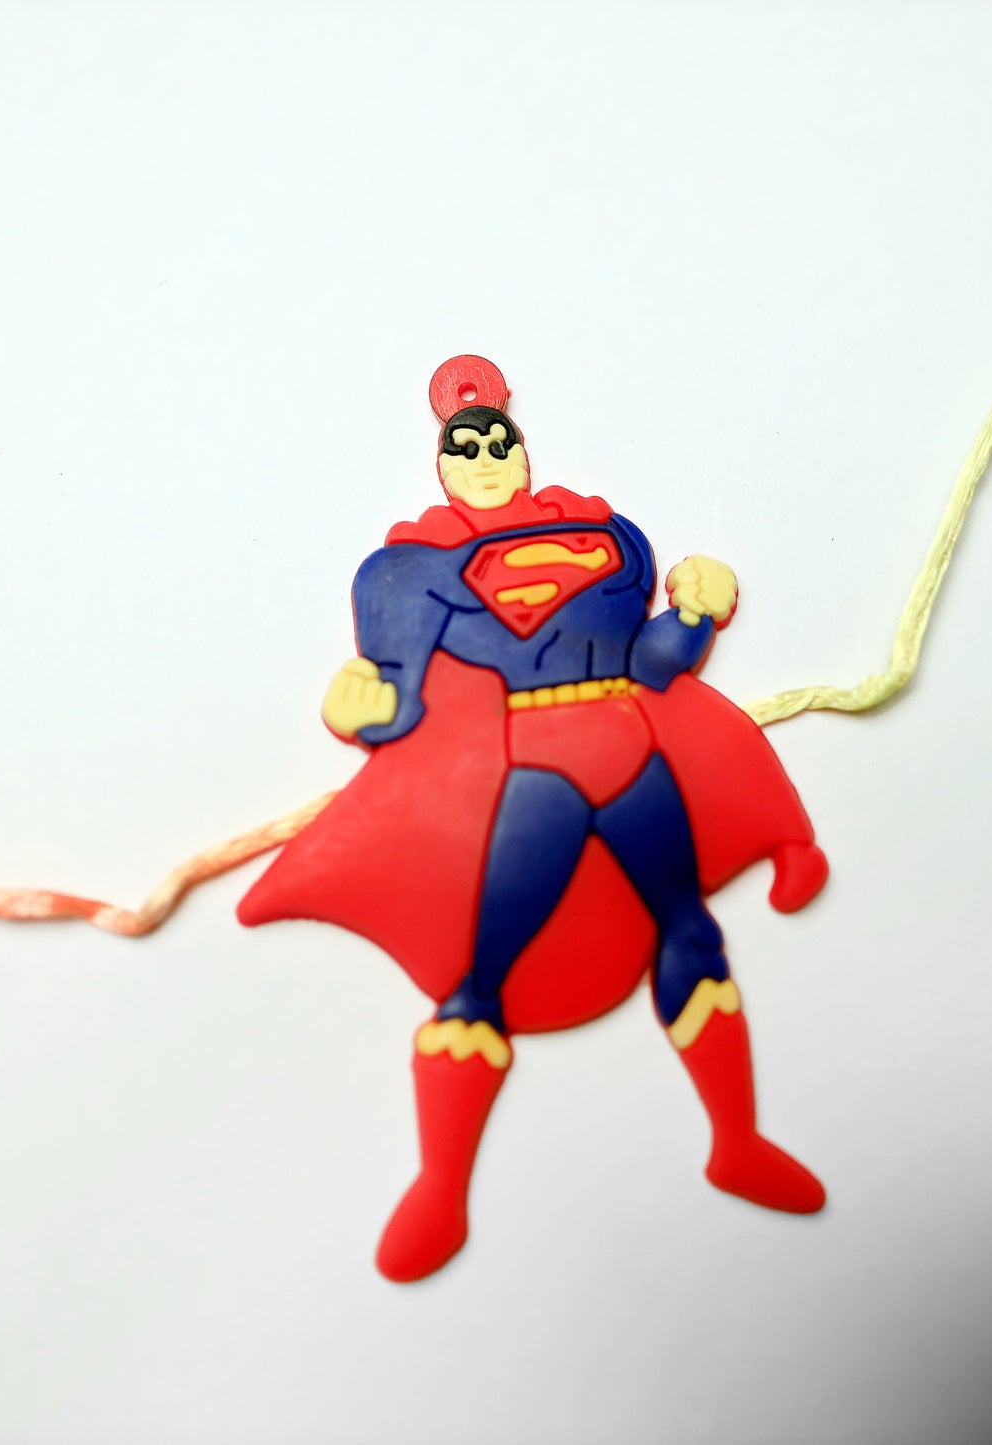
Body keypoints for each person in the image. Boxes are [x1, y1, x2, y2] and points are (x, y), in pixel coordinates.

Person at [239, 357, 831, 1282]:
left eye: (497, 442)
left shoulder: (607, 540)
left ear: (520, 449)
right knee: (481, 972)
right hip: (535, 775)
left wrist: (692, 613)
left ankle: (737, 1142)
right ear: (444, 463)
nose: (485, 457)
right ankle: (441, 1185)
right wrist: (361, 710)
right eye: (466, 447)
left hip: (630, 752)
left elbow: (653, 662)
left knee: (689, 930)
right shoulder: (415, 572)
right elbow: (400, 703)